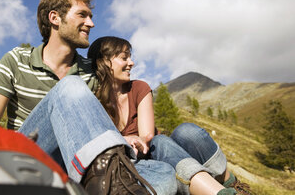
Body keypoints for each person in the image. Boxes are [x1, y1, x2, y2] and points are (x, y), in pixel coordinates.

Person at [0, 0, 175, 195]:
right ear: (54, 18)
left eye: (90, 16)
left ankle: (100, 187)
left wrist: (121, 139)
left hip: (73, 163)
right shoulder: (17, 60)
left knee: (163, 172)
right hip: (26, 158)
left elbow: (96, 127)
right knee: (70, 86)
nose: (91, 23)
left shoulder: (91, 72)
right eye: (82, 15)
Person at [87, 36, 255, 195]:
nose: (131, 63)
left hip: (157, 150)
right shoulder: (92, 100)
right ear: (104, 61)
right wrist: (125, 141)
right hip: (136, 164)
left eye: (130, 57)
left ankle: (231, 183)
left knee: (184, 132)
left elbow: (147, 136)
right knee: (161, 141)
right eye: (124, 58)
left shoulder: (139, 88)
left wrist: (132, 139)